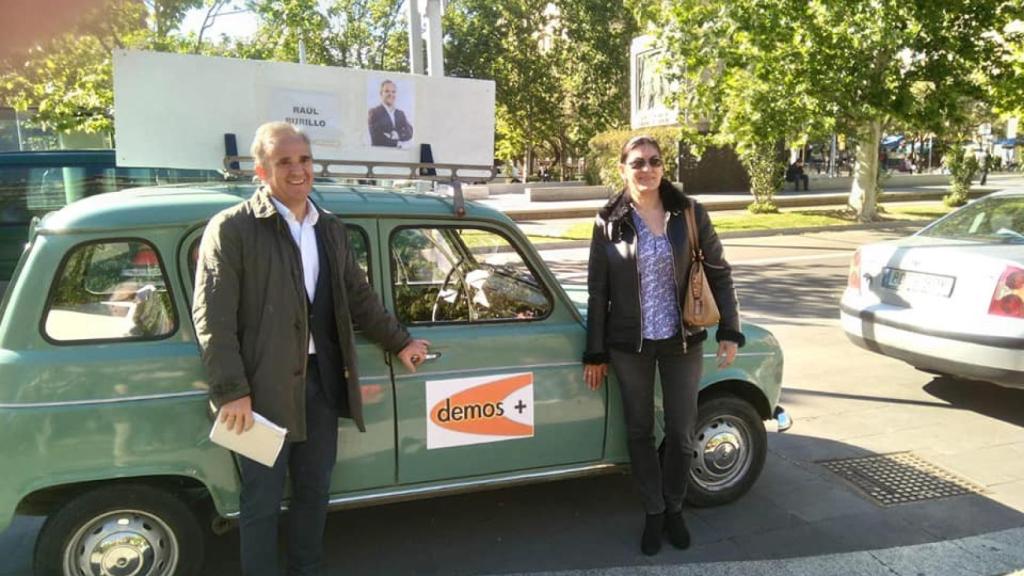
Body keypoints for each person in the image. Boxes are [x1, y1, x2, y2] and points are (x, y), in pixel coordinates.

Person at [193, 121, 430, 575]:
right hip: (261, 394)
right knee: (260, 500)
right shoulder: (232, 229)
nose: (298, 170)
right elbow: (213, 317)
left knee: (314, 491)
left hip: (322, 383)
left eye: (303, 159)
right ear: (261, 171)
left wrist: (400, 342)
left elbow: (358, 297)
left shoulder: (330, 228)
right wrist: (231, 391)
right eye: (284, 161)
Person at [582, 136, 744, 556]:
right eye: (637, 163)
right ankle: (653, 511)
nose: (647, 169)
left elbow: (719, 272)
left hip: (681, 340)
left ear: (662, 167)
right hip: (628, 344)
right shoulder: (607, 221)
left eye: (654, 162)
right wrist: (595, 351)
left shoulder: (688, 213)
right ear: (623, 169)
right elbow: (597, 291)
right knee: (638, 430)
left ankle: (675, 508)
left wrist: (730, 327)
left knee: (681, 432)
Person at [367, 79, 414, 147]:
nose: (391, 94)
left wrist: (397, 134)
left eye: (393, 92)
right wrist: (398, 143)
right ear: (381, 94)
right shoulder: (374, 112)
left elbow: (409, 132)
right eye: (387, 91)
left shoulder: (400, 113)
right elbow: (376, 138)